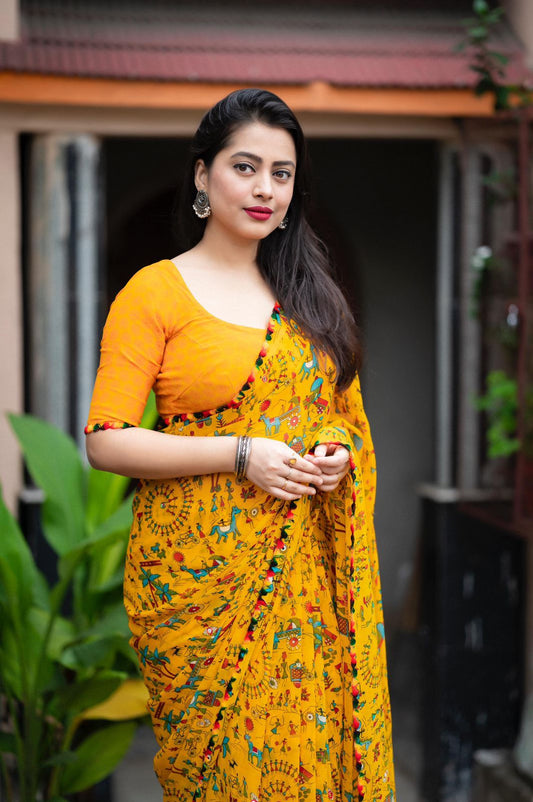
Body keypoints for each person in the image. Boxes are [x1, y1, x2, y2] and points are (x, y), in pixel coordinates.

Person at [85, 88, 395, 802]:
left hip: (306, 585)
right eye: (245, 167)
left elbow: (342, 421)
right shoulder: (155, 293)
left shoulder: (312, 297)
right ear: (202, 175)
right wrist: (240, 454)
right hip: (196, 584)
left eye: (281, 173)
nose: (264, 189)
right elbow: (107, 441)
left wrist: (336, 456)